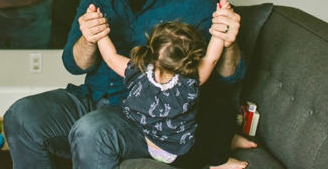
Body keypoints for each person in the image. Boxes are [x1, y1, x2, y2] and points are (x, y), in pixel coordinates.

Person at [4, 0, 247, 168]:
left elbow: (229, 77)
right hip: (91, 97)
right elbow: (74, 64)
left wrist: (228, 41)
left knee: (91, 130)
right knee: (20, 115)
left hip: (145, 118)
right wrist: (89, 40)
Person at [96, 10, 255, 168]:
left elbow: (111, 58)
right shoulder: (188, 84)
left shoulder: (139, 72)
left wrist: (99, 30)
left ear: (153, 49)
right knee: (224, 109)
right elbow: (211, 59)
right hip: (186, 157)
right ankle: (220, 162)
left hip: (153, 148)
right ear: (188, 61)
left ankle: (229, 140)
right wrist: (221, 23)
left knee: (203, 101)